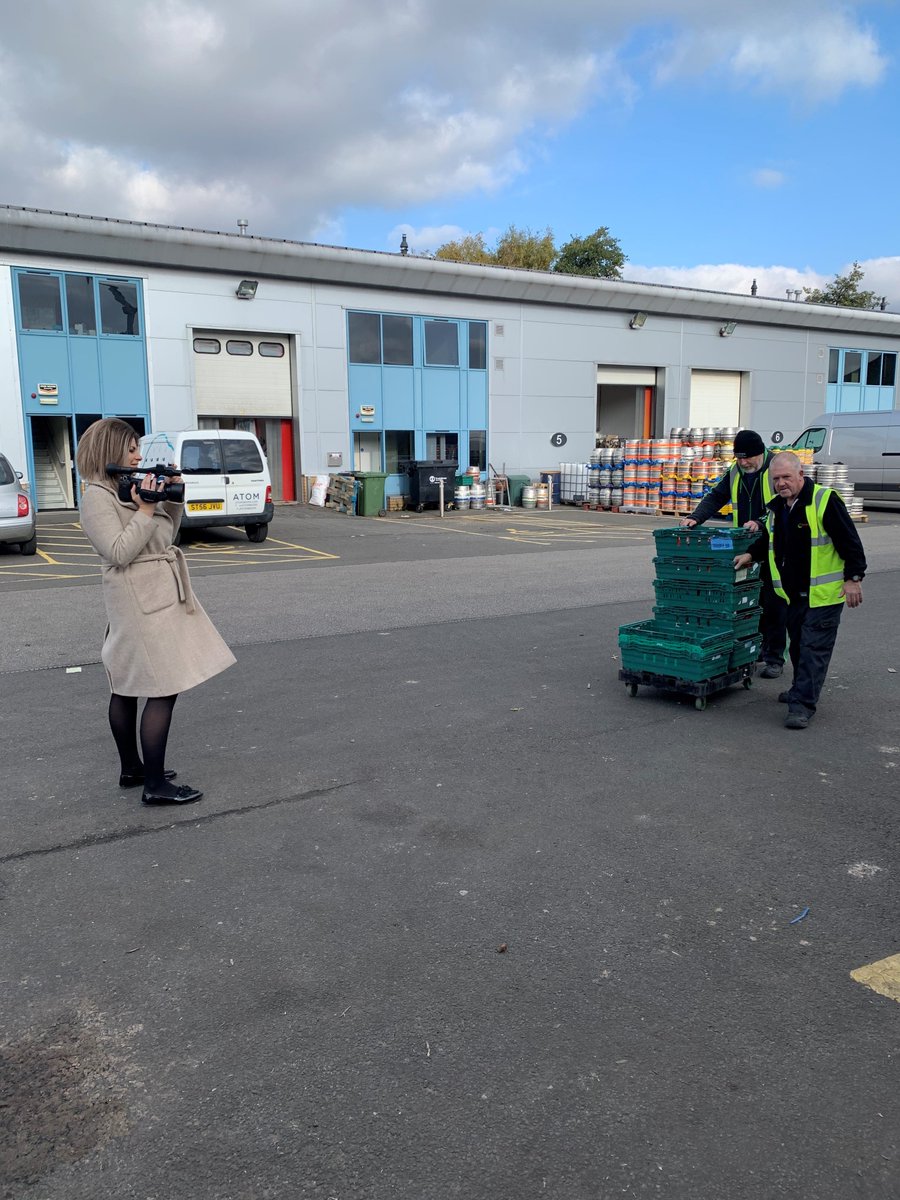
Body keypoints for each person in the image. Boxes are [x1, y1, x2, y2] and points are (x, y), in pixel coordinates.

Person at [76, 419, 236, 804]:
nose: (138, 455)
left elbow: (165, 537)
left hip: (155, 594)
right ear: (109, 449)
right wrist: (145, 509)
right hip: (138, 601)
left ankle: (134, 771)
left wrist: (171, 502)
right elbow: (117, 552)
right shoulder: (97, 496)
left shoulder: (125, 487)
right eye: (131, 448)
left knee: (131, 685)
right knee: (160, 686)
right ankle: (154, 786)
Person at [734, 451, 866, 730]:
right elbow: (770, 539)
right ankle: (799, 690)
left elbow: (849, 541)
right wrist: (750, 555)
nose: (781, 483)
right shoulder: (779, 508)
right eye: (776, 479)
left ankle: (802, 705)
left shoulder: (823, 501)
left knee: (812, 649)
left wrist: (853, 577)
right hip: (792, 596)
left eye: (786, 477)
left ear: (801, 475)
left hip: (823, 596)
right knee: (798, 648)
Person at [681, 428, 787, 679]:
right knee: (751, 600)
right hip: (747, 547)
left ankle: (776, 657)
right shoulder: (736, 471)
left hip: (776, 545)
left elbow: (782, 503)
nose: (743, 462)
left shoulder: (776, 469)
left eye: (747, 457)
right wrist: (696, 517)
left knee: (775, 604)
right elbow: (717, 496)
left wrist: (760, 522)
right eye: (739, 458)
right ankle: (757, 649)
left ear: (760, 453)